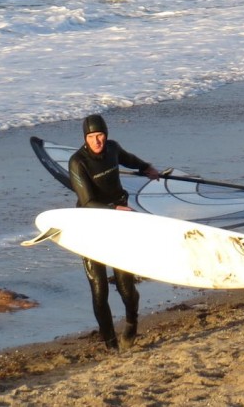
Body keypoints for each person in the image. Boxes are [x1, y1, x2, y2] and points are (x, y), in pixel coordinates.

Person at [67, 113, 160, 351]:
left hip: (119, 224)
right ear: (85, 138)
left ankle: (131, 324)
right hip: (91, 227)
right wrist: (113, 207)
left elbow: (130, 159)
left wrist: (146, 167)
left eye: (100, 135)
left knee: (126, 286)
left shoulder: (113, 149)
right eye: (91, 137)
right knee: (100, 290)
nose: (96, 141)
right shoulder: (78, 162)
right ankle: (111, 345)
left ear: (106, 135)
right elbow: (87, 202)